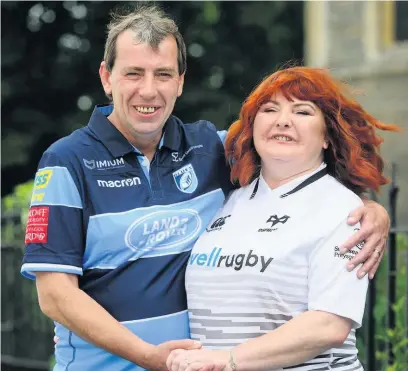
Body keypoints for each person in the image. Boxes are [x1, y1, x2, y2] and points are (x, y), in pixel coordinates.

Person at [21, 5, 389, 371]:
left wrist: (371, 209)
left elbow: (293, 159)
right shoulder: (65, 161)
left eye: (162, 74)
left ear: (180, 81)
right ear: (106, 77)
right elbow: (55, 295)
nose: (148, 91)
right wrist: (145, 356)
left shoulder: (211, 148)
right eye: (133, 73)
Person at [166, 66, 399, 371]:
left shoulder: (345, 211)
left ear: (327, 136)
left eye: (302, 112)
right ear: (252, 126)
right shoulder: (229, 199)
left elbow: (329, 325)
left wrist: (227, 359)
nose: (283, 120)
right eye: (270, 109)